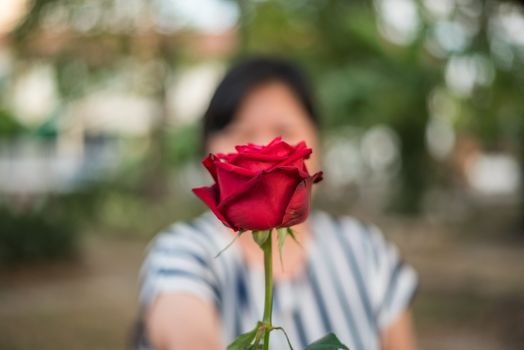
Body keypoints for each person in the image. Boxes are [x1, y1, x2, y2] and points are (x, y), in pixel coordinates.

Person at [136, 57, 418, 350]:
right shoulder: (183, 253)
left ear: (317, 142)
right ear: (208, 148)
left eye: (284, 130)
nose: (263, 147)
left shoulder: (367, 251)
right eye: (241, 133)